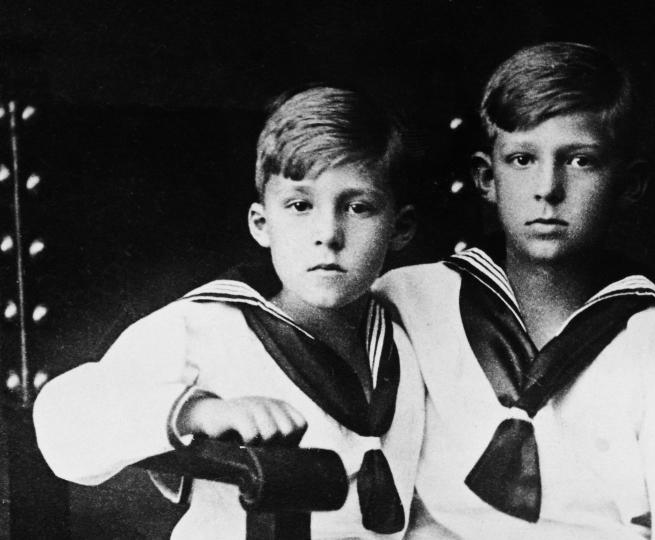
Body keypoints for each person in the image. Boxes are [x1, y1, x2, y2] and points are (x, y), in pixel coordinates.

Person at [375, 42, 655, 539]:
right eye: (522, 159)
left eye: (579, 161)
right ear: (486, 178)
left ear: (630, 183)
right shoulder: (409, 300)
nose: (547, 188)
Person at [33, 85, 424, 539]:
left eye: (358, 207)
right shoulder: (207, 328)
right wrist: (196, 412)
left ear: (400, 228)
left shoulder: (406, 334)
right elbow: (62, 422)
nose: (328, 234)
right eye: (300, 206)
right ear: (262, 224)